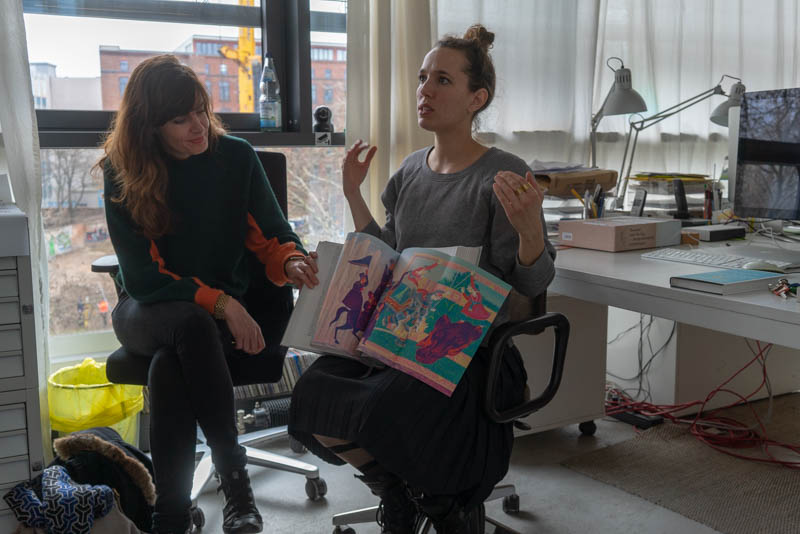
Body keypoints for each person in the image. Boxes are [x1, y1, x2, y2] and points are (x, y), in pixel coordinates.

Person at [289, 24, 556, 534]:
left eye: (442, 80)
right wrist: (352, 194)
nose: (425, 90)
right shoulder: (411, 170)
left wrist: (529, 232)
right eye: (422, 78)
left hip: (469, 352)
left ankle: (440, 503)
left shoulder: (503, 173)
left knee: (386, 407)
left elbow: (531, 288)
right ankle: (402, 493)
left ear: (477, 98)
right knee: (312, 395)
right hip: (396, 339)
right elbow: (386, 256)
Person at [98, 55, 319, 534]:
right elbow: (145, 279)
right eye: (181, 119)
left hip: (205, 325)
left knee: (171, 364)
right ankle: (237, 486)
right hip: (147, 309)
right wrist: (223, 303)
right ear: (149, 126)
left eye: (201, 111)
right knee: (190, 323)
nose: (199, 126)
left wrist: (291, 262)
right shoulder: (123, 171)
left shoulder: (234, 158)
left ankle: (171, 517)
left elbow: (273, 234)